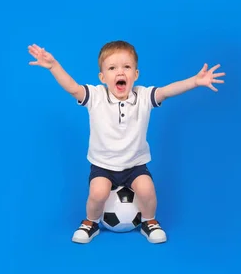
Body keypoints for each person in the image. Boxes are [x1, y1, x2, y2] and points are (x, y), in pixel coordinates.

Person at [27, 40, 225, 244]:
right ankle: (90, 222)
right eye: (112, 68)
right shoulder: (96, 96)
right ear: (102, 77)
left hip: (135, 165)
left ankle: (149, 222)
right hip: (103, 165)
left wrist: (194, 81)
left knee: (147, 189)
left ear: (136, 75)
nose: (120, 73)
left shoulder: (143, 96)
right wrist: (53, 66)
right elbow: (72, 88)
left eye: (127, 67)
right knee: (97, 192)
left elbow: (167, 91)